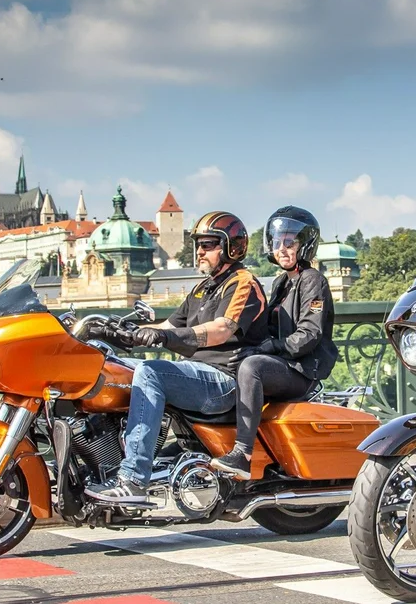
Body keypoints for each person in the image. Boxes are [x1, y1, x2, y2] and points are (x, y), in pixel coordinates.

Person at [86, 211, 268, 504]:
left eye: (208, 245)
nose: (199, 251)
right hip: (195, 373)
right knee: (107, 364)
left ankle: (133, 479)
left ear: (232, 247)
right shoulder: (201, 288)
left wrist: (166, 338)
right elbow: (167, 327)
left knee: (150, 372)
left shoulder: (242, 282)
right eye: (199, 244)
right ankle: (98, 462)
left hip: (224, 380)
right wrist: (118, 331)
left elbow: (221, 329)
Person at [210, 206, 340, 480]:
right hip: (284, 363)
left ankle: (243, 454)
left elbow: (309, 334)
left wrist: (271, 348)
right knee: (234, 361)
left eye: (289, 242)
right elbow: (266, 327)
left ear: (305, 245)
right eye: (277, 242)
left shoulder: (313, 280)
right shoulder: (281, 282)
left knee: (252, 367)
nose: (281, 249)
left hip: (302, 370)